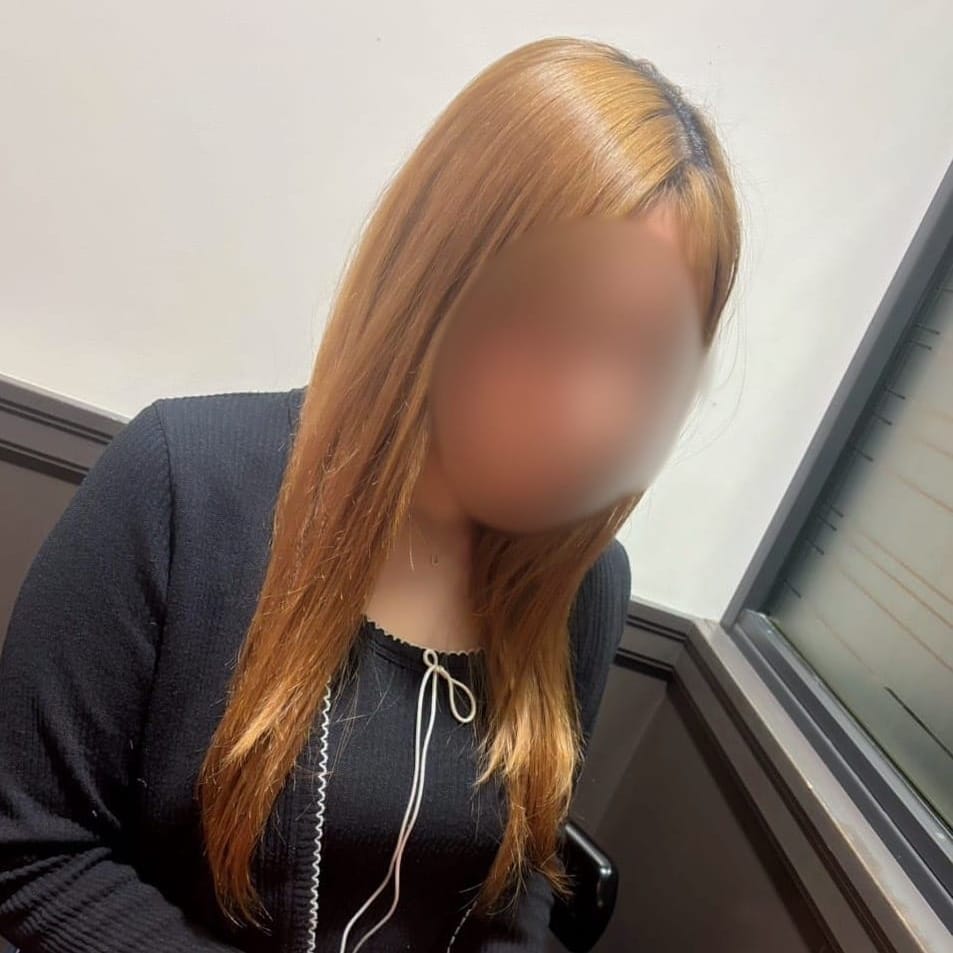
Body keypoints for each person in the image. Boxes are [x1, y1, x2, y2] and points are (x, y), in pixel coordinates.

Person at [0, 35, 740, 953]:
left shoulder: (584, 587)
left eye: (644, 356)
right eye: (559, 323)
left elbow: (513, 893)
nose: (591, 410)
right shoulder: (182, 482)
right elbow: (31, 847)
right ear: (440, 277)